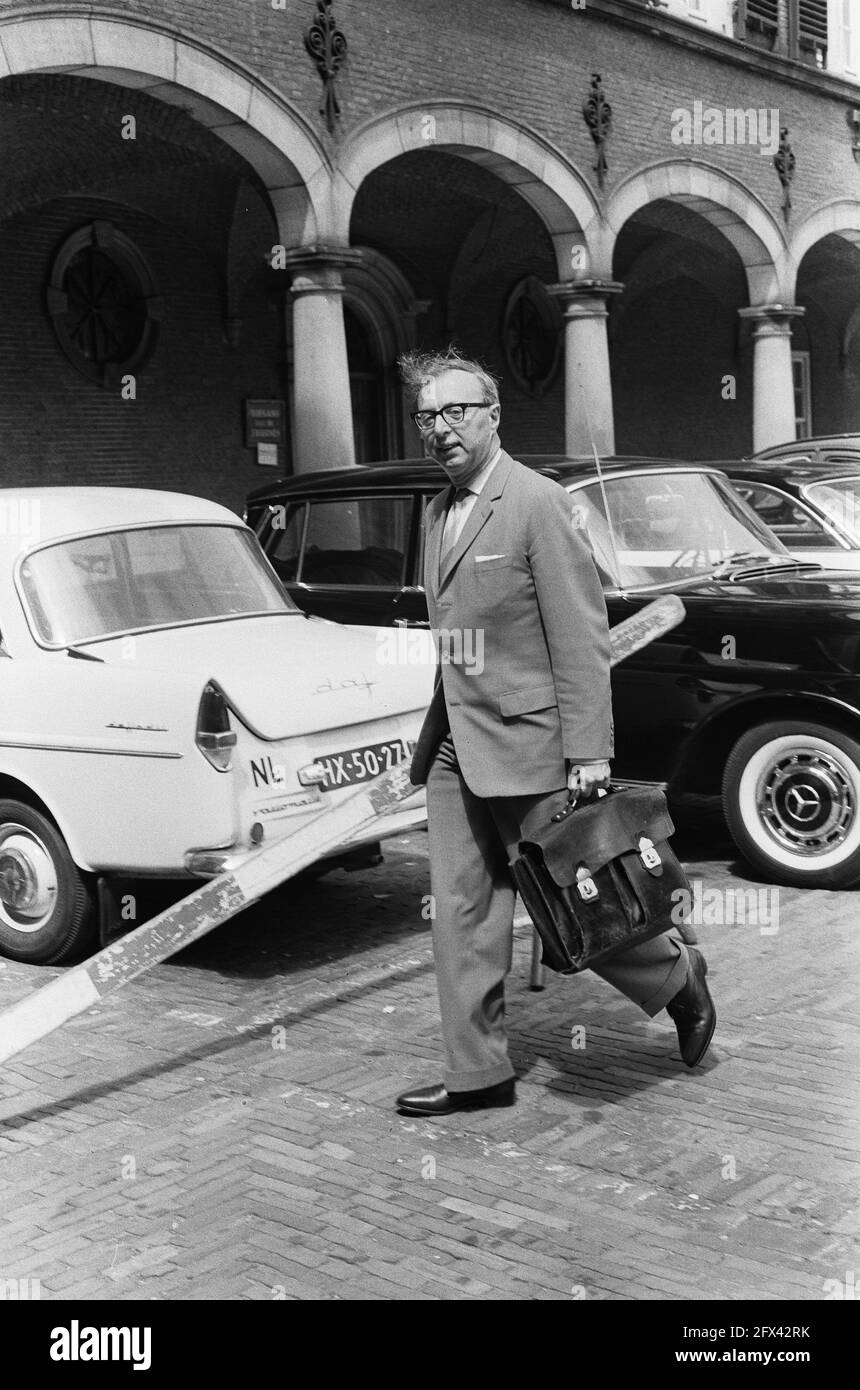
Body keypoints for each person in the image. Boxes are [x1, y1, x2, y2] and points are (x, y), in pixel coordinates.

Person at [395, 347, 716, 1118]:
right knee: (463, 912)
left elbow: (581, 638)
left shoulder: (538, 502)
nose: (440, 430)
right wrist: (429, 739)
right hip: (455, 748)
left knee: (581, 900)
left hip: (532, 747)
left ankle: (677, 977)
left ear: (493, 416)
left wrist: (589, 752)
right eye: (427, 416)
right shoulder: (438, 510)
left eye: (456, 412)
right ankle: (478, 1074)